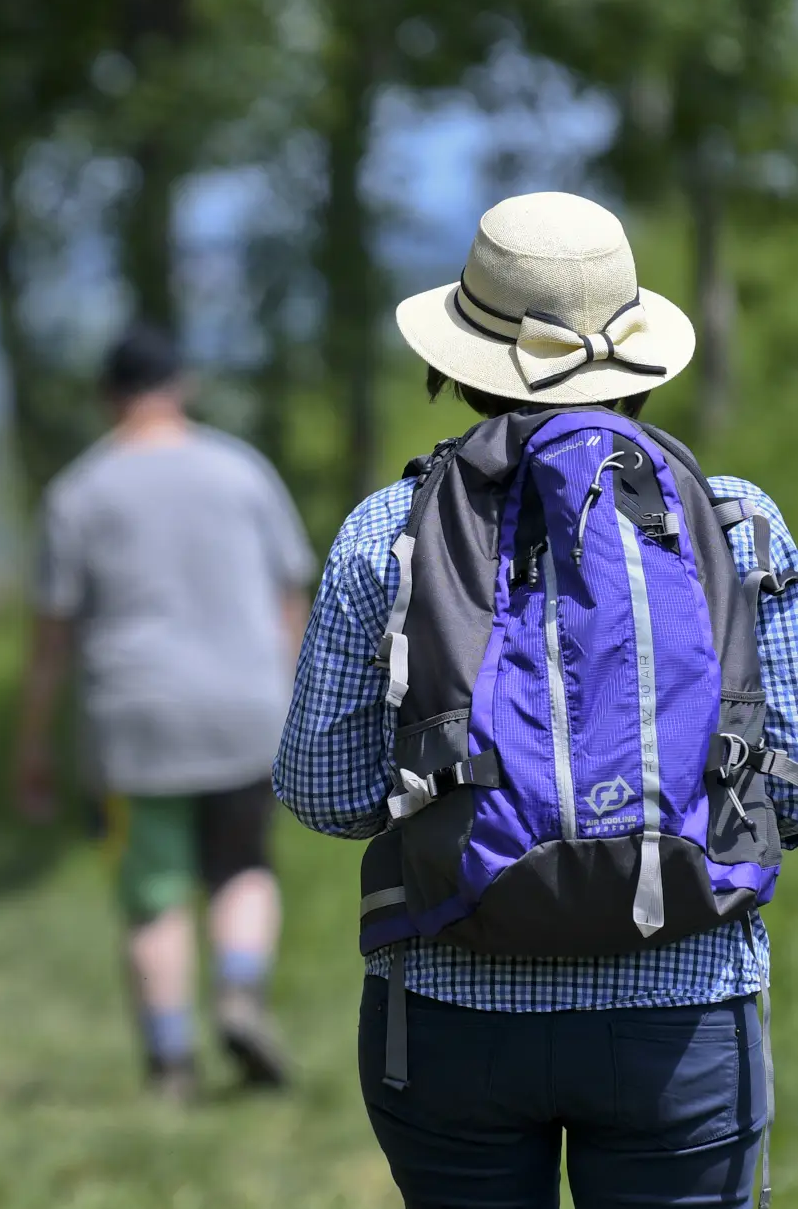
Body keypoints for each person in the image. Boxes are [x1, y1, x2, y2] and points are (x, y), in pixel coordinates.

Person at [276, 190, 798, 1209]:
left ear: (462, 356)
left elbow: (319, 790)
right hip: (682, 1006)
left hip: (450, 1005)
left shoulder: (390, 529)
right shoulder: (741, 525)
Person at [13, 324, 314, 1099]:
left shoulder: (78, 492)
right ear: (180, 385)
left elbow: (51, 638)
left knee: (151, 892)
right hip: (247, 706)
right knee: (242, 866)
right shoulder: (241, 470)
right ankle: (240, 992)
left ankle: (169, 1060)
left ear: (108, 397)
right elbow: (290, 598)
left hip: (135, 720)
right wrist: (302, 697)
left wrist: (34, 745)